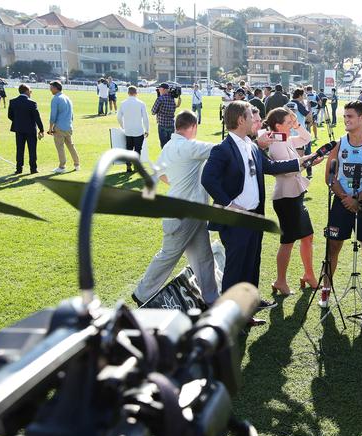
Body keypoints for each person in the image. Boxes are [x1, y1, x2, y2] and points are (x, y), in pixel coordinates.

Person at [202, 101, 316, 323]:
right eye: (251, 116)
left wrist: (301, 161)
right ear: (240, 120)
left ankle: (248, 310)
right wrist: (229, 204)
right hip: (235, 218)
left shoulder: (252, 146)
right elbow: (208, 179)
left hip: (255, 215)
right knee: (236, 270)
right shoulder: (223, 149)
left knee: (252, 264)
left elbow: (271, 168)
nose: (256, 121)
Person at [132, 111, 219, 308]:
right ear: (194, 126)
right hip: (183, 214)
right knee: (168, 255)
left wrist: (178, 183)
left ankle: (211, 298)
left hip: (193, 212)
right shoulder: (189, 146)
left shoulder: (169, 146)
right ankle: (142, 293)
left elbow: (161, 174)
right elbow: (221, 149)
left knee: (204, 257)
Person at [318, 100, 362, 309]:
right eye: (344, 116)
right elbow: (330, 177)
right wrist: (345, 198)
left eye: (350, 116)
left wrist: (359, 198)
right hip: (341, 201)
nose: (345, 120)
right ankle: (326, 291)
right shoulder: (338, 143)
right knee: (333, 248)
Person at [264, 107, 317, 294]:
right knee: (288, 241)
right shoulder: (276, 143)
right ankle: (280, 281)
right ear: (278, 125)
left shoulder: (284, 139)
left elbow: (306, 139)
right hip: (286, 198)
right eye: (288, 122)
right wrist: (308, 161)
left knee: (307, 236)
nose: (291, 125)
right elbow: (286, 171)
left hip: (296, 195)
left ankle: (309, 274)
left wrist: (297, 125)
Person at [7, 84, 44, 175]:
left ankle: (19, 168)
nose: (31, 93)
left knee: (19, 149)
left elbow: (10, 116)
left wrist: (18, 121)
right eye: (30, 91)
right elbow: (37, 118)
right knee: (32, 149)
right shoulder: (32, 103)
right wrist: (41, 129)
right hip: (30, 129)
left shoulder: (13, 101)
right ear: (27, 91)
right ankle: (33, 168)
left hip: (18, 129)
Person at [48, 81, 80, 173]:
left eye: (51, 88)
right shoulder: (67, 98)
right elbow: (72, 115)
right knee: (71, 146)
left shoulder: (56, 99)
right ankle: (77, 164)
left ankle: (62, 167)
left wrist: (50, 128)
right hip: (68, 126)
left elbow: (53, 115)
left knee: (60, 147)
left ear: (55, 88)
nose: (50, 89)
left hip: (59, 127)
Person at [117, 85, 149, 172]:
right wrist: (147, 130)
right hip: (138, 130)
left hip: (128, 130)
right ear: (136, 93)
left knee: (128, 149)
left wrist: (123, 126)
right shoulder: (141, 103)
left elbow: (119, 117)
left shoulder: (123, 103)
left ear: (128, 93)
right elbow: (145, 118)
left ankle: (128, 165)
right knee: (138, 149)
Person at [151, 82, 181, 148]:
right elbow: (175, 107)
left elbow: (153, 112)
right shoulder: (172, 99)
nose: (158, 90)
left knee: (164, 146)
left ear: (164, 90)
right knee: (170, 145)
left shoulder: (160, 99)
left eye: (160, 89)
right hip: (171, 125)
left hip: (162, 125)